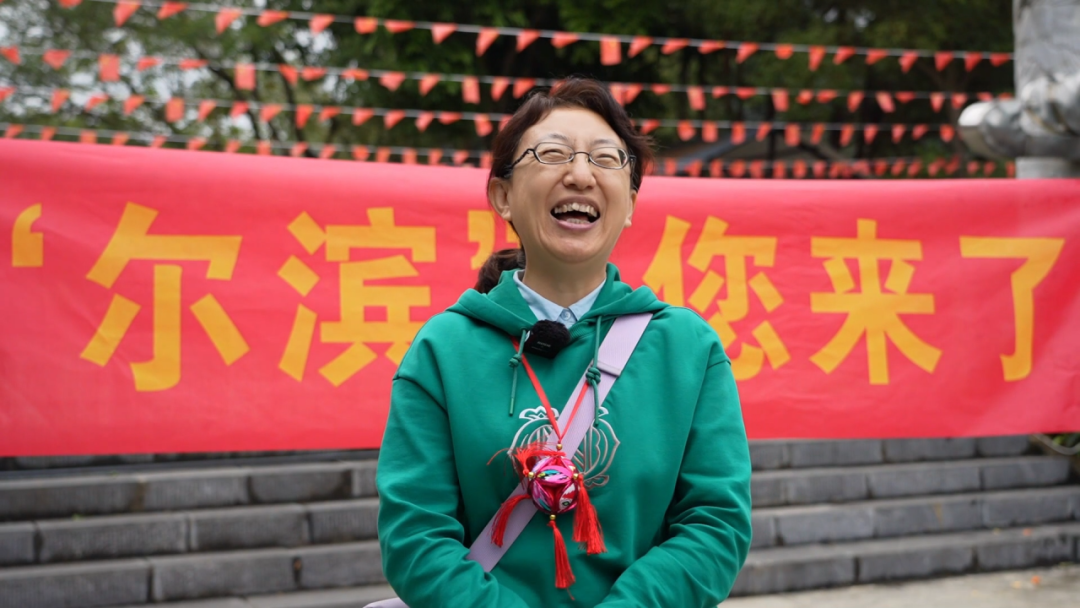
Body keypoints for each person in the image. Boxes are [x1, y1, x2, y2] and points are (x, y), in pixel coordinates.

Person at [376, 77, 752, 608]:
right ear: (503, 196)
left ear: (630, 204)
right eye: (552, 153)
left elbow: (715, 524)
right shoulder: (443, 349)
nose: (580, 174)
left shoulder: (688, 349)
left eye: (606, 159)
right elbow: (415, 538)